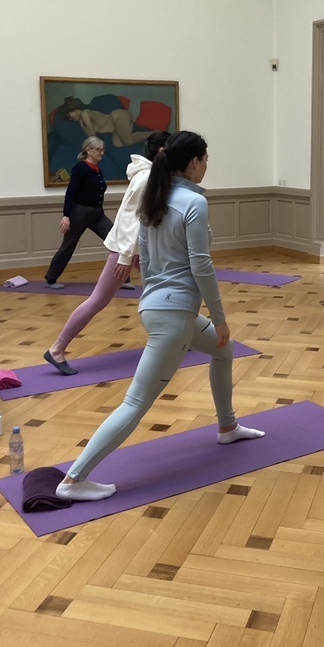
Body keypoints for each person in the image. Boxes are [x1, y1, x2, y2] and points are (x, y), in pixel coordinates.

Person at [53, 130, 264, 502]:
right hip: (175, 314)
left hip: (156, 308)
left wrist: (153, 295)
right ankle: (73, 480)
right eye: (206, 159)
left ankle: (227, 426)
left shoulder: (156, 197)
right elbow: (201, 265)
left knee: (222, 351)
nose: (207, 166)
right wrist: (221, 316)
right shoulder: (192, 203)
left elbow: (145, 259)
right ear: (195, 162)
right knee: (135, 402)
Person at [44, 130, 170, 375]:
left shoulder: (149, 175)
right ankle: (57, 349)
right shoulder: (146, 178)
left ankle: (174, 338)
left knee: (161, 289)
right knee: (99, 300)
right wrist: (125, 256)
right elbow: (131, 218)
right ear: (163, 152)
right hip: (126, 247)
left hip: (135, 247)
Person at [44, 137, 113, 289]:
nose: (101, 153)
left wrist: (100, 211)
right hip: (79, 212)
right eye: (98, 150)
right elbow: (71, 192)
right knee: (68, 245)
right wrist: (66, 216)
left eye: (102, 150)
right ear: (88, 150)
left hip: (96, 213)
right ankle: (51, 278)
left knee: (116, 239)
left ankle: (122, 279)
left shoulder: (97, 170)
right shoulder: (80, 168)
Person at [64, 98, 153, 148]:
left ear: (74, 110)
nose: (70, 118)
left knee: (128, 141)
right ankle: (134, 131)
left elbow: (93, 136)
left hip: (117, 116)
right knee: (117, 144)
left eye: (69, 115)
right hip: (114, 129)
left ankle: (155, 133)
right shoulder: (81, 121)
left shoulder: (85, 113)